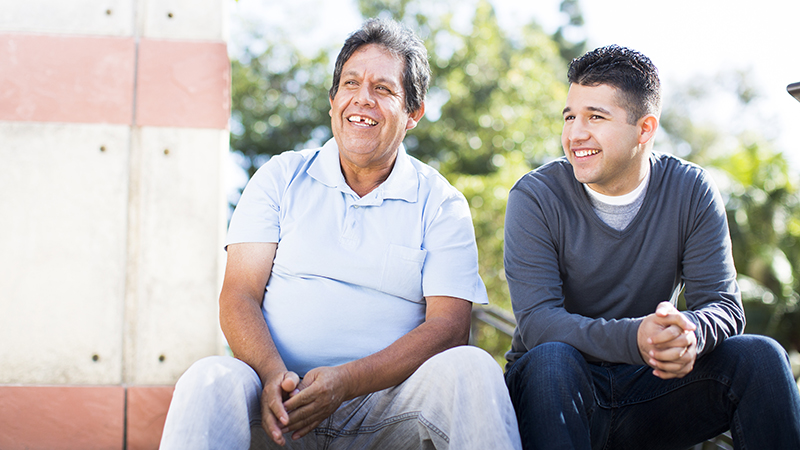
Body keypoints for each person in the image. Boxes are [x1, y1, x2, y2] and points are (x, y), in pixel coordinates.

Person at [159, 18, 521, 450]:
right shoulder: (279, 177)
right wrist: (274, 374)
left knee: (474, 369)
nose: (362, 100)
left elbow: (449, 327)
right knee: (209, 378)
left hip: (388, 410)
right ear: (333, 101)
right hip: (279, 399)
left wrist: (347, 382)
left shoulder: (441, 203)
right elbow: (238, 295)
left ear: (413, 113)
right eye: (351, 84)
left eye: (383, 89)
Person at [503, 44, 800, 450]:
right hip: (552, 393)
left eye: (595, 117)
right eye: (570, 116)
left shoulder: (691, 190)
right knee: (554, 359)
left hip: (650, 390)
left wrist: (689, 335)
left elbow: (724, 306)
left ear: (644, 129)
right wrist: (635, 337)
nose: (575, 133)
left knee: (761, 357)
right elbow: (538, 323)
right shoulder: (536, 196)